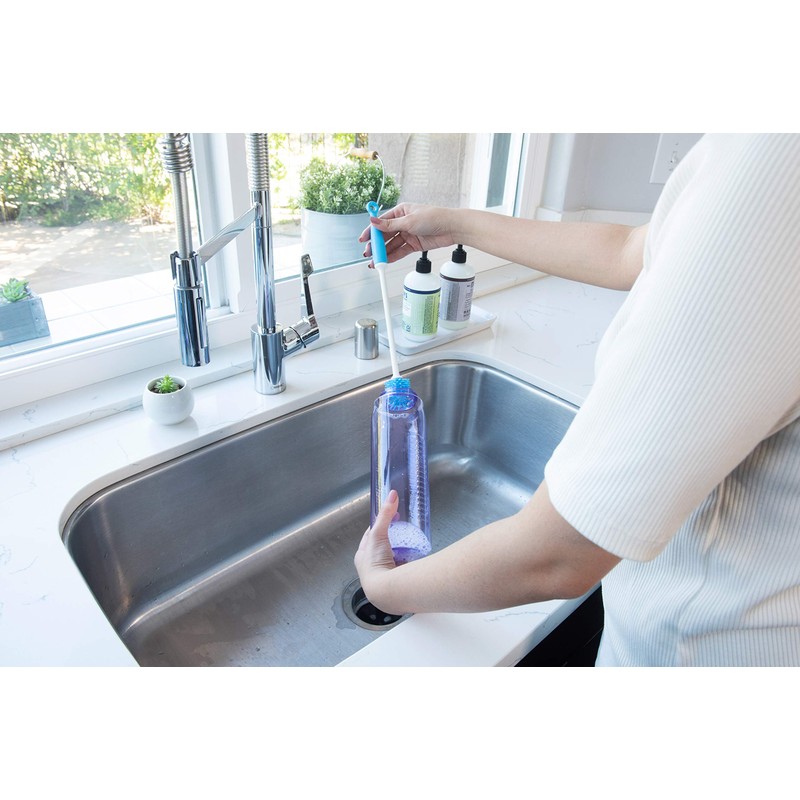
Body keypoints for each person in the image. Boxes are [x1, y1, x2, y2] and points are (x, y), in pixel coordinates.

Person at [354, 133, 800, 667]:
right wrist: (453, 225)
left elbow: (558, 555)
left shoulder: (776, 156)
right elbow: (632, 250)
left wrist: (384, 589)